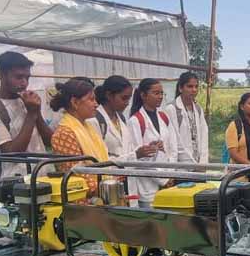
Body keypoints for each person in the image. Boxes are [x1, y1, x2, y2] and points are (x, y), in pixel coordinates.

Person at [46, 76, 123, 256]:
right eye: (90, 99)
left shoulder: (88, 126)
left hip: (102, 202)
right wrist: (109, 181)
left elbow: (101, 162)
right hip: (82, 208)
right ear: (74, 102)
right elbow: (76, 176)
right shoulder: (65, 133)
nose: (95, 103)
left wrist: (112, 176)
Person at [0, 51, 53, 178]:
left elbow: (50, 141)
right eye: (19, 77)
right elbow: (12, 152)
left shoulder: (26, 101)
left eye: (27, 78)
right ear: (1, 76)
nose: (24, 83)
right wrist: (31, 114)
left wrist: (36, 111)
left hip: (41, 174)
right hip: (15, 181)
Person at [127, 78, 178, 208]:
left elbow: (173, 149)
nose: (160, 96)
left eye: (162, 93)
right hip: (148, 187)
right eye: (156, 93)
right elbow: (139, 159)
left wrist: (170, 175)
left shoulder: (164, 117)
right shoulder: (136, 121)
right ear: (143, 95)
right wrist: (163, 180)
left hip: (168, 181)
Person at [88, 75, 159, 163]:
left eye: (129, 99)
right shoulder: (94, 121)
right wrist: (136, 155)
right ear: (109, 95)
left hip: (125, 170)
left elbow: (127, 150)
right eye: (124, 98)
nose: (127, 103)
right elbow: (99, 158)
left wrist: (146, 149)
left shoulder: (121, 119)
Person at [161, 72, 209, 164]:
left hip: (199, 163)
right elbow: (173, 141)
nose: (194, 90)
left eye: (196, 86)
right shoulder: (171, 109)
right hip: (180, 164)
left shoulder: (198, 109)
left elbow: (204, 137)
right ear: (180, 88)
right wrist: (191, 163)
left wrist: (202, 163)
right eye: (190, 86)